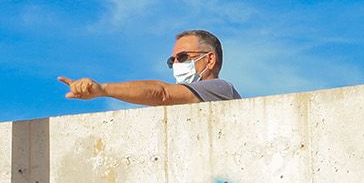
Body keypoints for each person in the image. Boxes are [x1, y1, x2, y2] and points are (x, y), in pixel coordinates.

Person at [60, 29, 240, 106]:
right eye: (173, 61)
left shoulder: (221, 89)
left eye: (183, 57)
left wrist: (103, 89)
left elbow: (162, 94)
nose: (176, 64)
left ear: (209, 60)